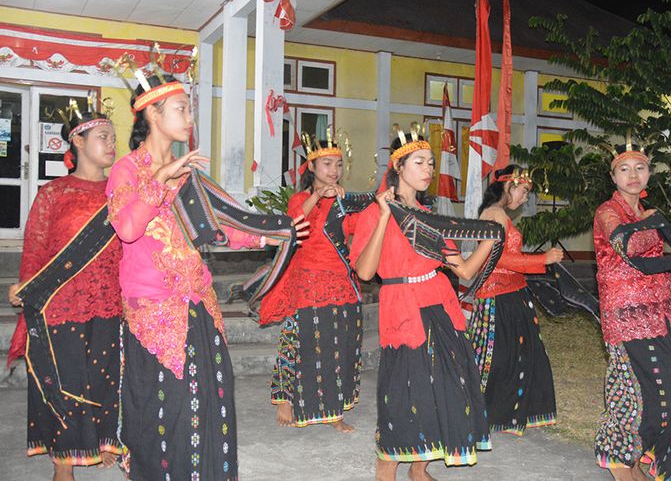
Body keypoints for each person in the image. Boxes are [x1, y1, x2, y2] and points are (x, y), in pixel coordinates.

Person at [106, 74, 306, 480]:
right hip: (154, 315)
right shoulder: (126, 171)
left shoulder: (189, 174)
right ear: (151, 113)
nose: (189, 116)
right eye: (181, 108)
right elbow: (127, 229)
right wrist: (161, 179)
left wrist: (274, 232)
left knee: (209, 408)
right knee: (163, 413)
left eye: (188, 108)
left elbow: (219, 228)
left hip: (198, 306)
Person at [350, 130, 496, 481]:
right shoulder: (374, 212)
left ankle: (420, 468)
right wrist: (386, 216)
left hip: (439, 308)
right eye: (419, 162)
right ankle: (386, 470)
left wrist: (491, 240)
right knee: (403, 392)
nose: (428, 168)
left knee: (449, 386)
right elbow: (366, 270)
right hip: (403, 309)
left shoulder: (428, 215)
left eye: (431, 162)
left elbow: (462, 269)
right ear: (398, 166)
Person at [7, 111, 122, 480]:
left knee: (105, 377)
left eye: (113, 137)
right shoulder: (53, 194)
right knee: (66, 381)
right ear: (78, 140)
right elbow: (35, 252)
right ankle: (63, 461)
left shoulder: (121, 193)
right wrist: (27, 292)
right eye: (103, 136)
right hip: (61, 305)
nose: (111, 143)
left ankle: (103, 441)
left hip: (110, 301)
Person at [592, 144, 671, 481]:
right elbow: (627, 247)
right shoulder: (607, 211)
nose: (633, 175)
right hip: (626, 317)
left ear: (649, 174)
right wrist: (653, 222)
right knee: (638, 394)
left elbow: (654, 269)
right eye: (624, 169)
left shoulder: (646, 213)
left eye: (640, 168)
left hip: (662, 314)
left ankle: (639, 457)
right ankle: (620, 459)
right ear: (613, 176)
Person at [260, 137, 362, 432]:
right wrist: (318, 196)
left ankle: (334, 411)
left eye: (339, 164)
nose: (334, 170)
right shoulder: (300, 198)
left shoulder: (344, 201)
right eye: (327, 164)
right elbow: (293, 223)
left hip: (341, 281)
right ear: (312, 166)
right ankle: (285, 398)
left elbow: (357, 235)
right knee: (296, 340)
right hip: (306, 282)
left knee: (338, 347)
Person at [468, 165, 563, 436]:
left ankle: (501, 414)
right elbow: (496, 258)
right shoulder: (496, 214)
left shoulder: (497, 214)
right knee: (496, 358)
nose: (524, 197)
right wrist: (543, 260)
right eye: (523, 190)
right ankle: (485, 413)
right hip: (499, 295)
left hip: (510, 292)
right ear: (509, 186)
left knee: (512, 357)